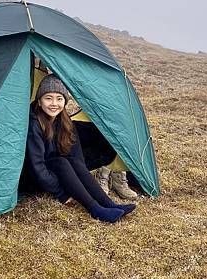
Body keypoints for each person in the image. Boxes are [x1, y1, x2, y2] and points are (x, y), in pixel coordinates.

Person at [23, 74, 136, 223]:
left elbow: (77, 160)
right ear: (39, 101)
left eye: (59, 98)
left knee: (73, 161)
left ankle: (108, 203)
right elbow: (36, 168)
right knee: (60, 162)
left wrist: (79, 177)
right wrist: (61, 193)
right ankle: (95, 209)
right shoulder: (34, 124)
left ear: (65, 101)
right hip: (34, 178)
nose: (54, 103)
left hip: (55, 172)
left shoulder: (64, 121)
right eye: (48, 98)